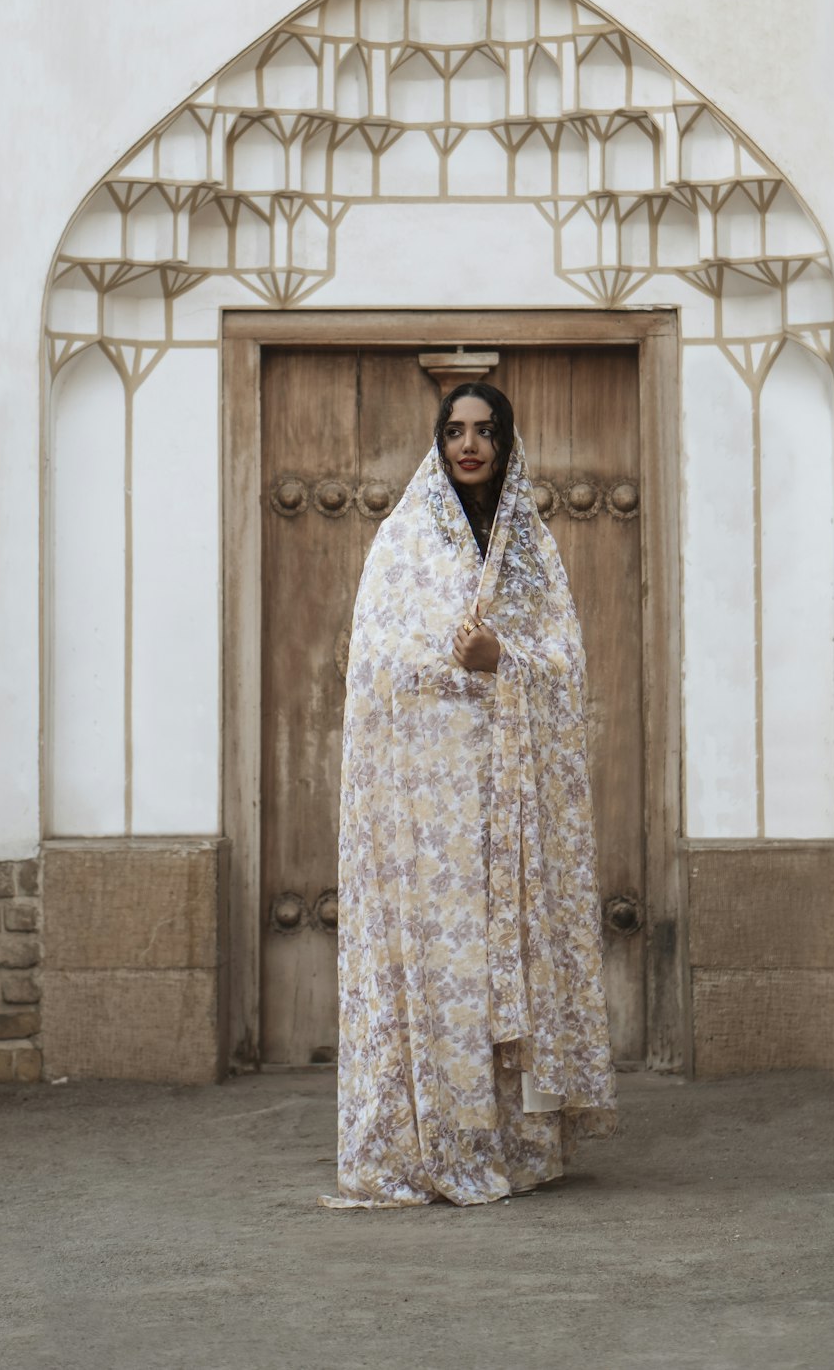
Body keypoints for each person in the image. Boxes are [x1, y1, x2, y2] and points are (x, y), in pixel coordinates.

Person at [318, 383, 617, 1210]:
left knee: (503, 965)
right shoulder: (405, 540)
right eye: (454, 431)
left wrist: (503, 661)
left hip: (508, 805)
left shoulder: (531, 549)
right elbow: (379, 669)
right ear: (438, 442)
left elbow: (564, 666)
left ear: (507, 441)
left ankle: (515, 1147)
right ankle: (432, 1141)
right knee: (448, 967)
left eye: (485, 431)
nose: (468, 445)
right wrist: (458, 666)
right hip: (432, 811)